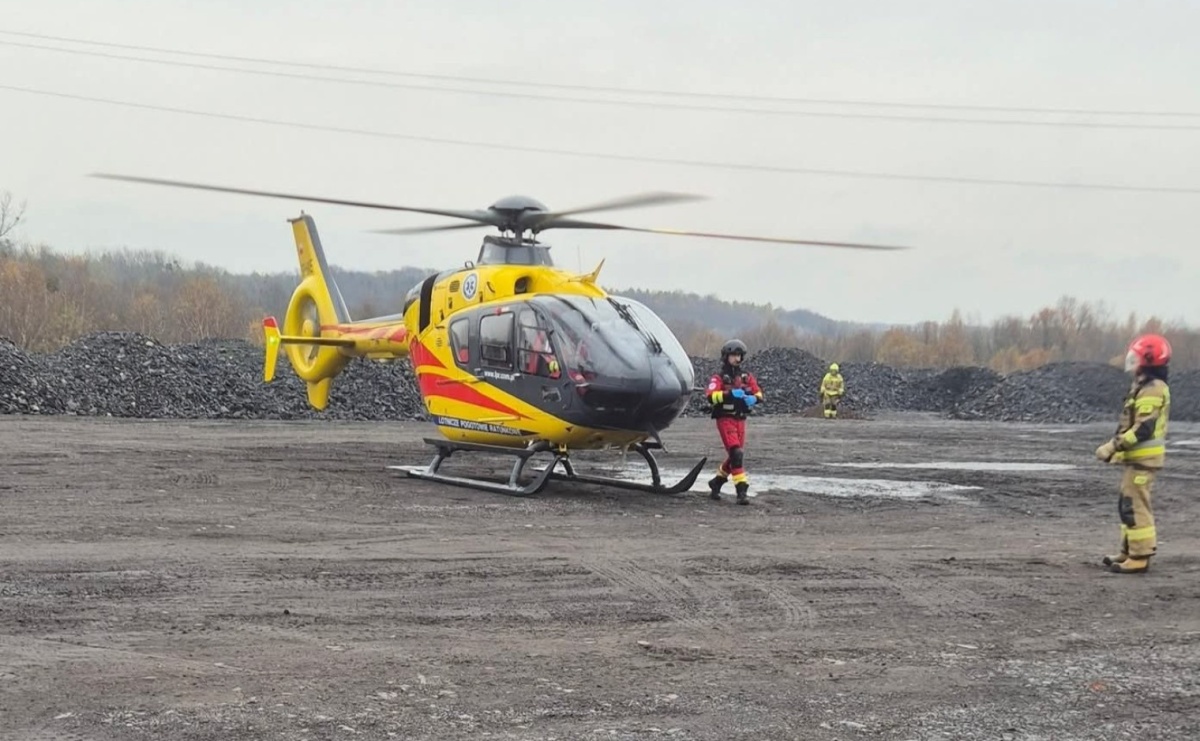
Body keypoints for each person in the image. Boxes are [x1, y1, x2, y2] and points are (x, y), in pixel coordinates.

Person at [1094, 333, 1171, 574]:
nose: (1132, 362)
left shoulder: (1153, 389)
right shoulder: (1144, 386)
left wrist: (1113, 446)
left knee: (1136, 505)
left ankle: (1140, 556)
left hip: (1144, 460)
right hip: (1137, 459)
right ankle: (1129, 550)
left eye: (1136, 357)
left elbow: (1143, 428)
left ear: (1148, 360)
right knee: (1127, 504)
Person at [705, 339, 764, 505]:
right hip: (725, 419)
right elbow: (710, 396)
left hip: (740, 420)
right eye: (733, 355)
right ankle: (741, 490)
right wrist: (728, 395)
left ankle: (716, 482)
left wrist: (754, 398)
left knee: (734, 456)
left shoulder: (746, 377)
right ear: (726, 356)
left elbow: (759, 393)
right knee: (737, 453)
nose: (737, 359)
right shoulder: (718, 377)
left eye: (739, 355)